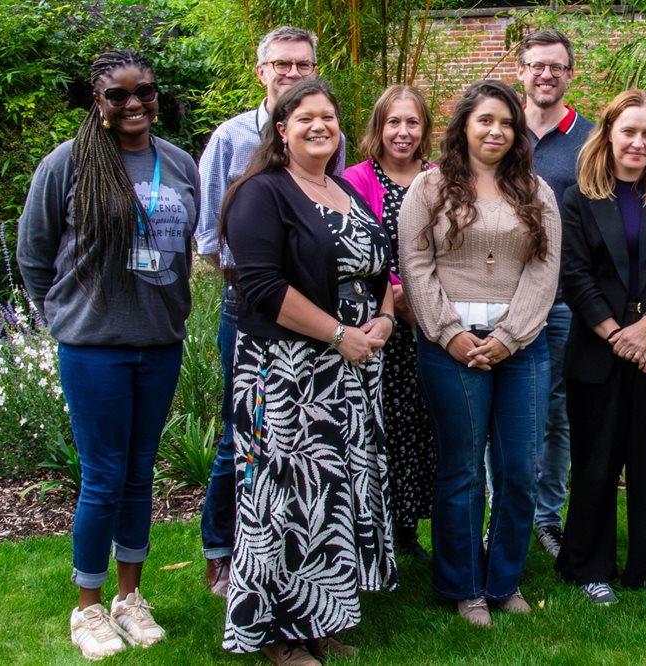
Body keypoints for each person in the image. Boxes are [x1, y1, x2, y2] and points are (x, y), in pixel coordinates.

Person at [16, 50, 199, 659]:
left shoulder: (176, 163)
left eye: (144, 91)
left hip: (160, 341)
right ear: (97, 101)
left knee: (140, 474)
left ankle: (129, 597)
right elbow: (35, 254)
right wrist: (66, 318)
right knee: (102, 478)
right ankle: (87, 607)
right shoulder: (66, 165)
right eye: (117, 94)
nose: (133, 104)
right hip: (93, 347)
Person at [220, 80, 396, 665]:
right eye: (305, 118)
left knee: (330, 494)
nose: (319, 126)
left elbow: (379, 270)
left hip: (350, 370)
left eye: (329, 117)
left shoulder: (345, 189)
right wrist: (340, 333)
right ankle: (274, 635)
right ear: (281, 130)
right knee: (284, 498)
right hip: (288, 372)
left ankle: (318, 615)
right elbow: (264, 288)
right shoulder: (261, 194)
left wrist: (386, 318)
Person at [398, 79, 561, 626]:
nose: (496, 131)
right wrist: (449, 333)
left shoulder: (536, 192)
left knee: (519, 468)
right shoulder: (429, 188)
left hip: (522, 347)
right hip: (450, 346)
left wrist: (509, 337)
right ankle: (464, 586)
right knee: (463, 469)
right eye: (485, 119)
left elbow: (544, 270)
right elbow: (415, 264)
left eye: (507, 123)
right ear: (464, 125)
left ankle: (504, 579)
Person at [195, 26, 349, 597]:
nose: (291, 72)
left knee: (307, 446)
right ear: (261, 71)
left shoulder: (326, 132)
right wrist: (260, 285)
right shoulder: (232, 138)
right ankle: (223, 551)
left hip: (319, 312)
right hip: (255, 308)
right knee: (246, 436)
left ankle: (306, 564)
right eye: (280, 64)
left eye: (302, 63)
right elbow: (209, 234)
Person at [555, 89, 646, 606]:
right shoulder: (577, 197)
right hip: (600, 351)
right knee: (596, 463)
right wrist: (619, 335)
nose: (638, 142)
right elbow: (574, 276)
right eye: (629, 132)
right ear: (609, 134)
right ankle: (589, 565)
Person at [342, 85, 436, 561]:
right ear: (377, 127)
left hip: (431, 322)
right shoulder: (355, 179)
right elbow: (359, 247)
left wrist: (424, 305)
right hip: (378, 322)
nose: (403, 132)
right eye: (393, 122)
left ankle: (409, 532)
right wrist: (398, 296)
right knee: (385, 428)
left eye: (412, 122)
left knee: (424, 427)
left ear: (425, 130)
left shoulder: (440, 176)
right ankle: (376, 531)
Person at [516, 28, 594, 560]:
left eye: (556, 67)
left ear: (569, 75)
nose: (546, 74)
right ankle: (506, 515)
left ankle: (547, 518)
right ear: (520, 72)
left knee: (559, 414)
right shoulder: (497, 128)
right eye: (536, 65)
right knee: (510, 412)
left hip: (565, 301)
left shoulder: (590, 138)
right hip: (503, 299)